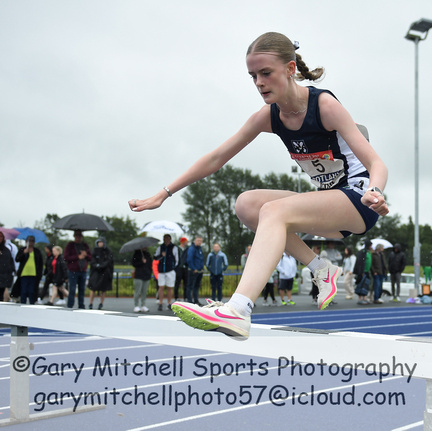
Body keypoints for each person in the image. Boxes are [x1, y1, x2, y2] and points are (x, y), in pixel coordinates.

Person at [130, 32, 389, 340]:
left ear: (290, 69)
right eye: (253, 76)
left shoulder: (325, 106)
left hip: (358, 200)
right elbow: (216, 157)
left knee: (275, 211)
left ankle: (238, 309)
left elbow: (377, 163)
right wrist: (165, 192)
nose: (259, 83)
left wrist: (376, 190)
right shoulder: (269, 116)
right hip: (327, 204)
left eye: (266, 73)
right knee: (247, 205)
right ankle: (321, 268)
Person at [64, 229, 92, 309]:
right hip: (73, 271)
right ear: (74, 236)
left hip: (82, 270)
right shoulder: (70, 245)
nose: (78, 237)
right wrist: (77, 257)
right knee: (72, 289)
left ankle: (81, 305)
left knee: (82, 290)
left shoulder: (85, 246)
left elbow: (90, 258)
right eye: (77, 235)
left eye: (79, 236)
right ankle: (70, 305)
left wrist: (86, 255)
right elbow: (66, 258)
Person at [15, 236, 44, 304]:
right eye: (29, 241)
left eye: (32, 241)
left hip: (33, 274)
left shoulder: (36, 251)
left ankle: (32, 304)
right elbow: (17, 259)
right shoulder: (23, 249)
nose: (31, 242)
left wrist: (40, 274)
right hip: (24, 274)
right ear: (26, 242)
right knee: (23, 291)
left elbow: (40, 263)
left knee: (31, 291)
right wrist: (24, 253)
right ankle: (23, 303)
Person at [88, 238, 114, 310]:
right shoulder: (94, 251)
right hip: (96, 272)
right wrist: (97, 265)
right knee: (93, 288)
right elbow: (92, 261)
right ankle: (90, 303)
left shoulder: (108, 251)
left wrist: (102, 265)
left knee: (103, 289)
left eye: (101, 242)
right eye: (99, 242)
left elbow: (109, 261)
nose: (100, 244)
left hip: (104, 272)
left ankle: (101, 303)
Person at [154, 234, 179, 311]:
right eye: (165, 239)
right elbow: (155, 257)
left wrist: (173, 268)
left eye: (168, 239)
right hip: (161, 270)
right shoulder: (160, 247)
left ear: (170, 239)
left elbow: (177, 259)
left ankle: (169, 303)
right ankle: (160, 303)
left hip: (170, 270)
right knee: (161, 287)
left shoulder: (174, 247)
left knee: (169, 287)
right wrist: (161, 255)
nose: (166, 240)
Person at [132, 247, 153, 312]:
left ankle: (143, 305)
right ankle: (136, 305)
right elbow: (134, 263)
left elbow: (150, 264)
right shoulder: (136, 254)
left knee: (144, 291)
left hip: (146, 275)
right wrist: (141, 262)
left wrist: (149, 272)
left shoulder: (148, 255)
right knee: (137, 291)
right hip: (138, 275)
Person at [186, 235, 204, 305]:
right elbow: (189, 260)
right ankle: (190, 301)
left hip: (200, 271)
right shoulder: (192, 249)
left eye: (201, 241)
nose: (199, 242)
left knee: (197, 286)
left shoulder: (200, 249)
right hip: (193, 271)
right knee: (190, 286)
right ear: (195, 241)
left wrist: (202, 268)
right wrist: (194, 268)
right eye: (198, 240)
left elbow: (201, 259)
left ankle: (196, 300)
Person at [354, 240, 373, 305]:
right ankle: (360, 299)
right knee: (361, 285)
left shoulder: (369, 252)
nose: (371, 247)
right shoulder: (362, 252)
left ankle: (364, 298)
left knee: (366, 285)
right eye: (370, 245)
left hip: (367, 271)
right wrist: (360, 271)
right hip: (362, 272)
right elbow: (359, 262)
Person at [0, 231, 16, 302]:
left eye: (1, 237)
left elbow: (10, 265)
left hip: (3, 279)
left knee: (1, 296)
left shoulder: (6, 251)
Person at [174, 237, 189, 301]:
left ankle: (185, 297)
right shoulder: (177, 248)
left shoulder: (187, 249)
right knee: (177, 283)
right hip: (179, 268)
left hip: (185, 268)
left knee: (186, 283)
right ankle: (176, 297)